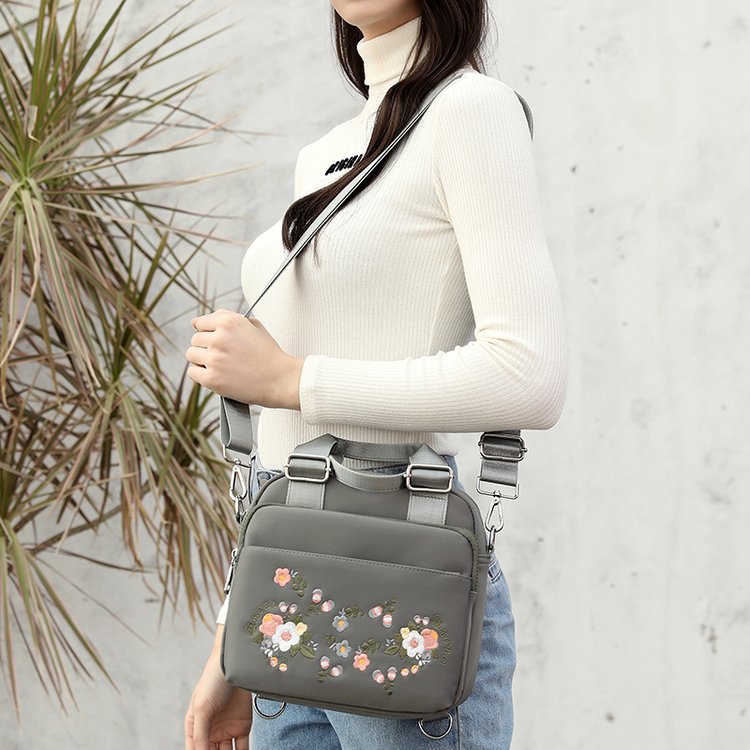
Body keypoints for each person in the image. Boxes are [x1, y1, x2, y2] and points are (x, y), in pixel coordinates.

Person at [183, 1, 567, 748]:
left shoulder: (472, 111)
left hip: (402, 565)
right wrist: (231, 639)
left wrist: (291, 379)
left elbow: (530, 376)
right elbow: (289, 444)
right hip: (285, 579)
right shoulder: (327, 151)